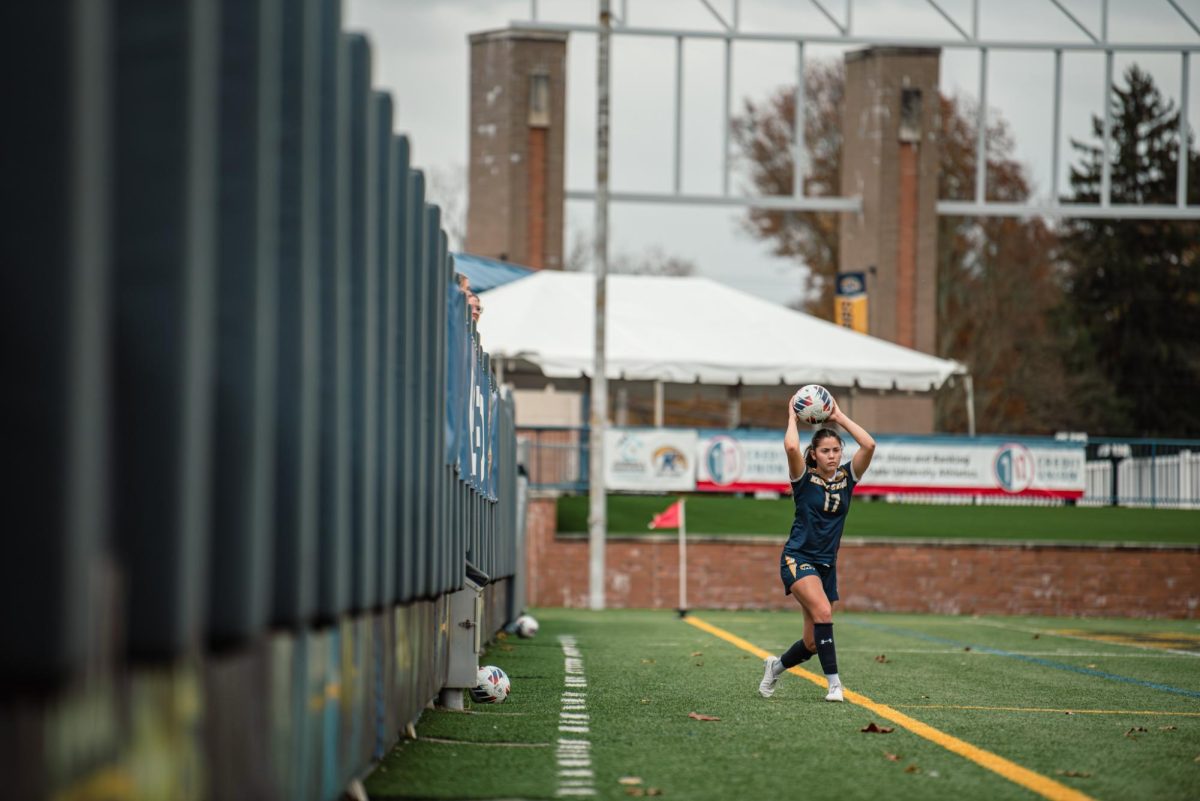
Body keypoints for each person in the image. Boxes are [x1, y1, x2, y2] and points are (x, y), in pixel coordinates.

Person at [758, 391, 875, 702]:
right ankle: (835, 685)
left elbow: (869, 445)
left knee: (811, 642)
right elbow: (791, 445)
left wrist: (838, 417)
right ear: (814, 455)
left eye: (836, 450)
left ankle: (775, 667)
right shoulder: (802, 479)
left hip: (826, 565)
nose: (833, 456)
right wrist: (791, 417)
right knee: (823, 612)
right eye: (825, 451)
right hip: (798, 558)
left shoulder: (848, 478)